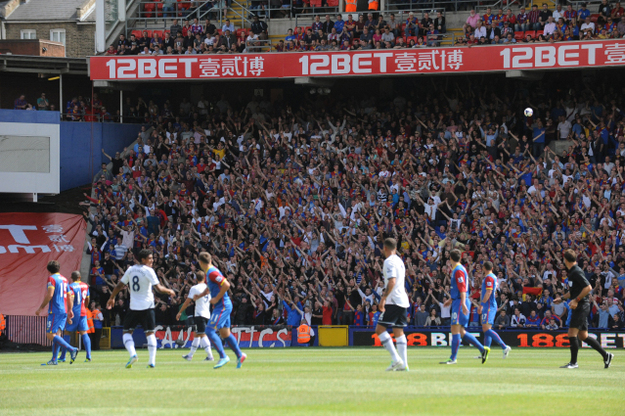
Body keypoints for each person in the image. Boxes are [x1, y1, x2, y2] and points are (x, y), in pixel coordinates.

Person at [106, 249, 175, 369]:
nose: (152, 260)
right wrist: (169, 290)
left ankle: (133, 354)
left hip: (134, 307)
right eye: (150, 258)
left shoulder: (130, 269)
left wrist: (112, 297)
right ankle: (151, 362)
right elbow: (158, 288)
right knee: (150, 333)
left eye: (152, 258)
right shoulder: (149, 271)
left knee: (126, 333)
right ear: (143, 260)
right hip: (148, 307)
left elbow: (119, 285)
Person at [554, 249, 614, 369]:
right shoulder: (573, 272)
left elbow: (588, 287)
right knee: (583, 336)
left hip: (581, 306)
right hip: (581, 305)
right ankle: (606, 355)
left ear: (565, 260)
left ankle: (573, 363)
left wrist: (576, 300)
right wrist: (561, 298)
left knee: (571, 333)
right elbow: (573, 292)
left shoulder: (576, 271)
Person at [193, 252, 247, 369]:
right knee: (225, 333)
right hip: (222, 305)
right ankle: (239, 355)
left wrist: (217, 298)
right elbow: (210, 288)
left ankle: (223, 356)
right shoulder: (210, 272)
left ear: (200, 263)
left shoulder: (212, 273)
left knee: (209, 331)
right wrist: (200, 295)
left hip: (222, 305)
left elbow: (226, 284)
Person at [440, 250, 489, 365]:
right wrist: (451, 299)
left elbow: (463, 288)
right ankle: (483, 349)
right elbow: (459, 288)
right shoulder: (459, 269)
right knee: (461, 331)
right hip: (458, 300)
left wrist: (462, 303)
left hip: (460, 302)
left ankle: (453, 358)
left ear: (450, 259)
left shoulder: (458, 270)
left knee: (455, 329)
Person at [374, 238, 409, 371]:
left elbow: (392, 281)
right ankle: (404, 364)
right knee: (398, 331)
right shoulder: (400, 261)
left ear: (385, 248)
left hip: (393, 300)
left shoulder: (389, 262)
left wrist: (383, 298)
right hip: (402, 300)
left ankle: (396, 359)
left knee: (379, 329)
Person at [35, 261, 79, 366]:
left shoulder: (52, 279)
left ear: (49, 270)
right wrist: (70, 310)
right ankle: (54, 359)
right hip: (63, 310)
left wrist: (40, 308)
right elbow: (69, 296)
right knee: (57, 335)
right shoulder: (65, 280)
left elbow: (50, 295)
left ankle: (72, 349)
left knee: (50, 335)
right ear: (59, 269)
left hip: (55, 310)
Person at [176, 270, 214, 362]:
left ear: (196, 279)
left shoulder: (194, 288)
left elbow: (187, 302)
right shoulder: (208, 288)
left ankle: (210, 356)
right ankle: (190, 355)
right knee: (196, 334)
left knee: (202, 334)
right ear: (204, 278)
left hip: (199, 314)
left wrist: (180, 312)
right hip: (207, 314)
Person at [479, 262, 511, 358]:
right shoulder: (493, 277)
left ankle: (504, 346)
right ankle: (485, 353)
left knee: (486, 329)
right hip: (489, 305)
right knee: (487, 330)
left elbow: (488, 292)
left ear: (484, 267)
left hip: (488, 306)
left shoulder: (489, 277)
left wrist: (481, 305)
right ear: (492, 268)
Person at [59, 271, 92, 363]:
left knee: (67, 333)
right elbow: (88, 299)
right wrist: (85, 307)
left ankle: (63, 356)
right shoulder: (85, 285)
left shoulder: (71, 286)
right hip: (83, 311)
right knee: (84, 333)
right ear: (80, 277)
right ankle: (88, 355)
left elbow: (71, 299)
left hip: (74, 312)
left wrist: (70, 311)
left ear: (71, 278)